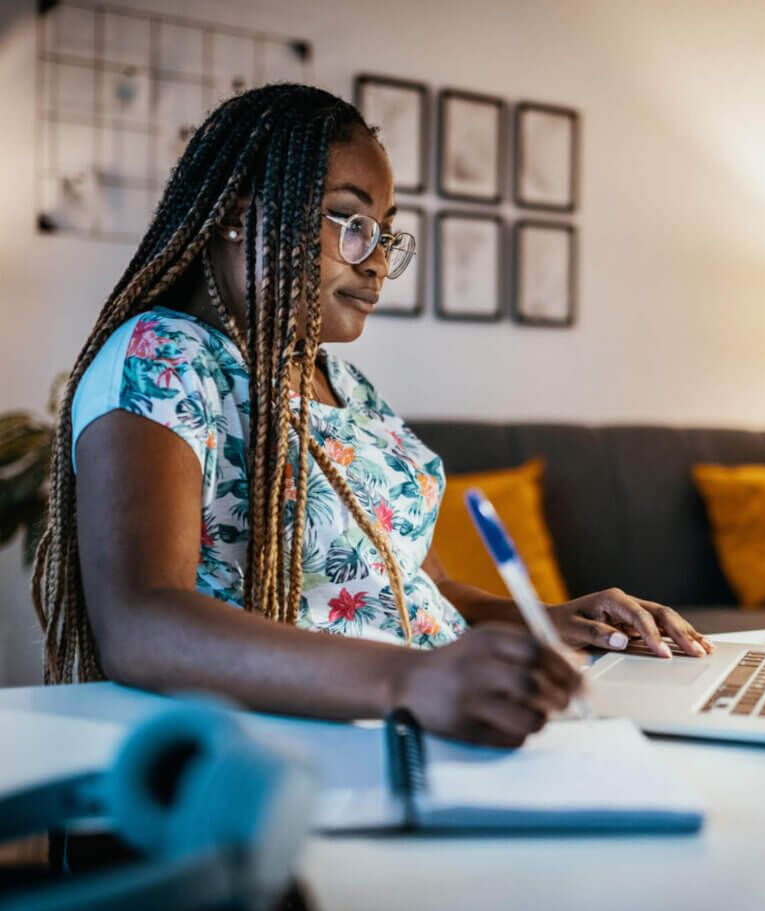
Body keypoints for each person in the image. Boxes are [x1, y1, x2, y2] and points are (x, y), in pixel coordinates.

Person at [33, 84, 713, 747]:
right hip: (302, 747)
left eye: (387, 235)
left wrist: (557, 621)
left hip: (425, 726)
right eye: (352, 224)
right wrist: (410, 680)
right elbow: (142, 622)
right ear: (240, 213)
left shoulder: (346, 386)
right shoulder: (163, 356)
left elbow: (425, 584)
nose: (379, 261)